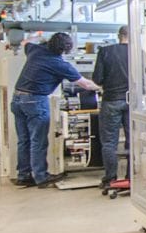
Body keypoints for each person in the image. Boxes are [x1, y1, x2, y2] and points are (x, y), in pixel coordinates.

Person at [11, 32, 100, 188]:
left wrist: (37, 35)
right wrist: (103, 87)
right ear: (64, 50)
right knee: (38, 141)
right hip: (35, 100)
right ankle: (41, 177)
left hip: (17, 99)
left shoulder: (35, 50)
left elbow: (25, 41)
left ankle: (23, 175)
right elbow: (85, 84)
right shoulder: (58, 63)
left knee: (23, 140)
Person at [92, 25, 130, 190]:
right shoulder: (140, 53)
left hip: (111, 101)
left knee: (109, 142)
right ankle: (131, 177)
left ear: (119, 35)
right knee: (132, 141)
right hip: (133, 102)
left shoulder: (105, 51)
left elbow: (97, 79)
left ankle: (110, 178)